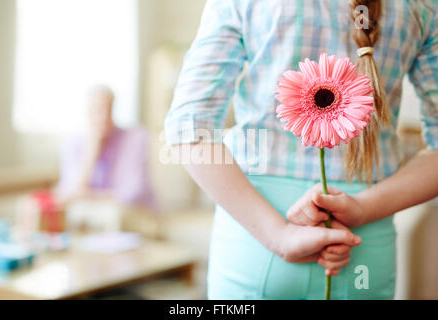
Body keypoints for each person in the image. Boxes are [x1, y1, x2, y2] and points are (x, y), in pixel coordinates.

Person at [164, 0, 437, 299]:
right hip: (363, 246)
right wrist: (363, 209)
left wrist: (279, 236)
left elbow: (189, 128)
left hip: (255, 243)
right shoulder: (420, 5)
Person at [57, 85, 157, 212]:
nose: (103, 117)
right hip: (93, 214)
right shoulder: (71, 143)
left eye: (108, 109)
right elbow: (68, 191)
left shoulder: (136, 138)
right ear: (87, 112)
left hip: (131, 214)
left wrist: (90, 197)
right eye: (97, 110)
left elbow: (134, 192)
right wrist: (92, 152)